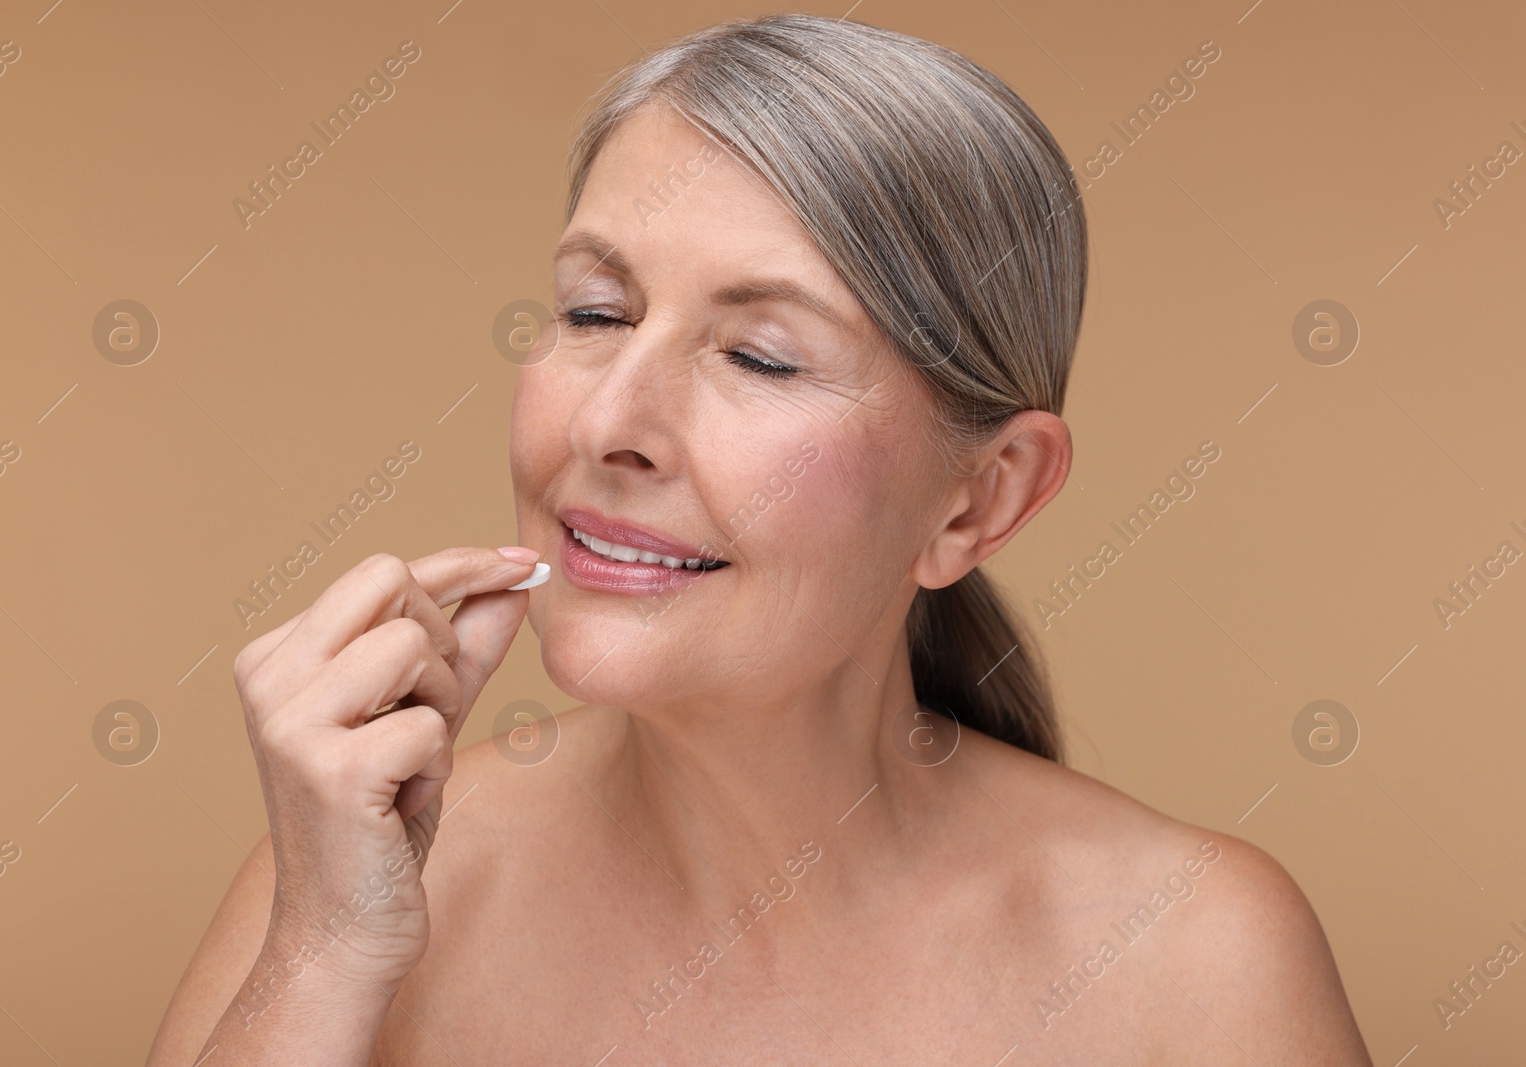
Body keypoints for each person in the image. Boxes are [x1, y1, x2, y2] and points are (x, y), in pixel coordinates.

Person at [148, 13, 1372, 1064]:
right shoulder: (348, 891)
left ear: (979, 501)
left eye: (760, 355)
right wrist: (321, 956)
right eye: (593, 311)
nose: (609, 418)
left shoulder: (1195, 961)